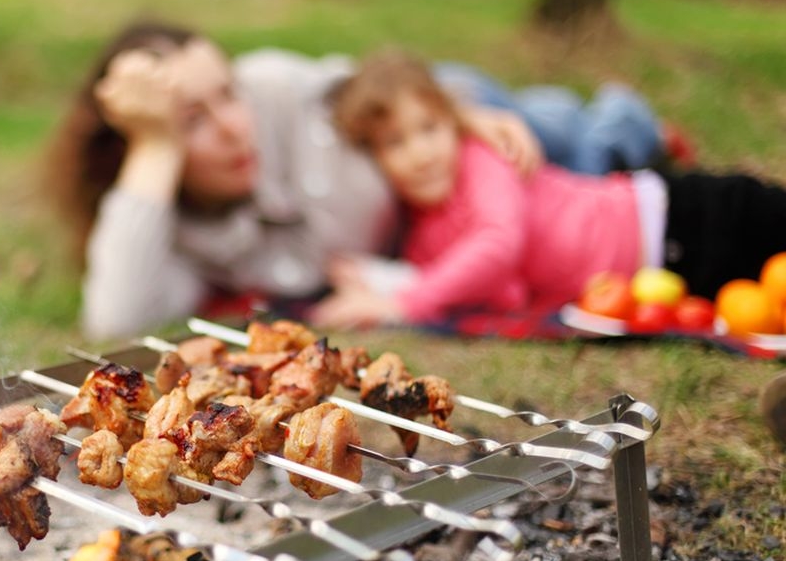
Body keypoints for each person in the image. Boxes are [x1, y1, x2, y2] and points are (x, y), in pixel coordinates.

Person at [45, 20, 670, 340]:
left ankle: (627, 112)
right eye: (191, 120)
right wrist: (157, 145)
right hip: (437, 226)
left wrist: (458, 116)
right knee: (575, 195)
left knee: (583, 142)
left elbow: (383, 89)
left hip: (441, 136)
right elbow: (115, 321)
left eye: (226, 93)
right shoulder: (173, 231)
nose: (235, 128)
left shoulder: (273, 85)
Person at [310, 49, 786, 329]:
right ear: (375, 159)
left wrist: (401, 302)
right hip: (667, 274)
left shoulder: (481, 160)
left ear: (453, 123)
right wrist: (375, 278)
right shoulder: (425, 236)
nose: (421, 152)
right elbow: (508, 292)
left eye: (430, 128)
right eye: (396, 142)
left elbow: (498, 245)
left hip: (674, 213)